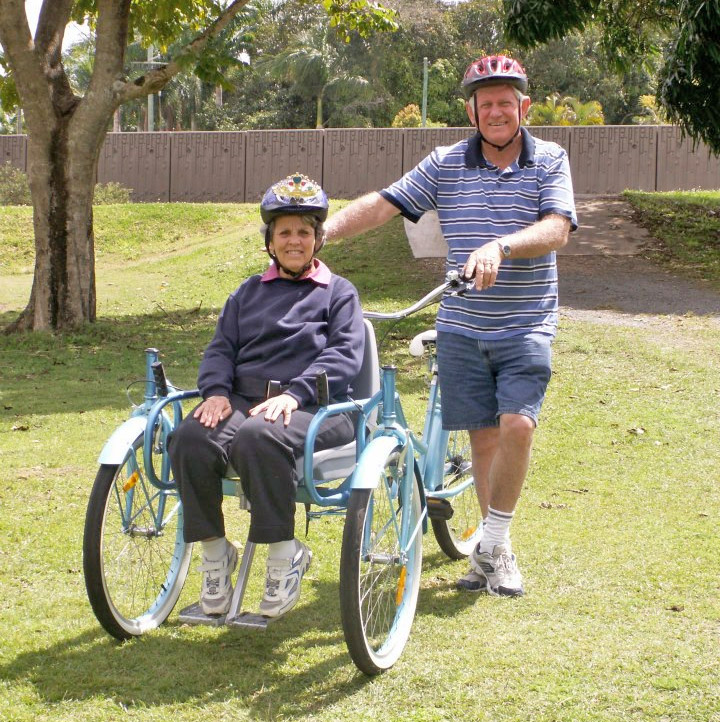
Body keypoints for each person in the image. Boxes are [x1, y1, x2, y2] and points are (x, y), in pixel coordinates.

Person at [323, 55, 577, 597]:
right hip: (462, 325)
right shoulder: (445, 162)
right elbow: (385, 205)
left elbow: (557, 228)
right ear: (471, 111)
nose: (496, 112)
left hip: (526, 322)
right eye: (485, 104)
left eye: (505, 102)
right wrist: (321, 233)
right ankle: (492, 552)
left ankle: (496, 542)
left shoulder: (550, 160)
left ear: (523, 107)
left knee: (517, 427)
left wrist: (500, 246)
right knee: (483, 437)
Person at [169, 173, 365, 618]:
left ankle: (283, 555)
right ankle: (217, 554)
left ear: (317, 239)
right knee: (191, 438)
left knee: (258, 436)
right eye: (284, 233)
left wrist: (295, 394)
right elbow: (221, 349)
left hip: (319, 404)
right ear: (270, 242)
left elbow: (345, 355)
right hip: (244, 400)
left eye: (303, 232)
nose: (294, 240)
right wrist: (216, 392)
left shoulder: (339, 293)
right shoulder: (246, 293)